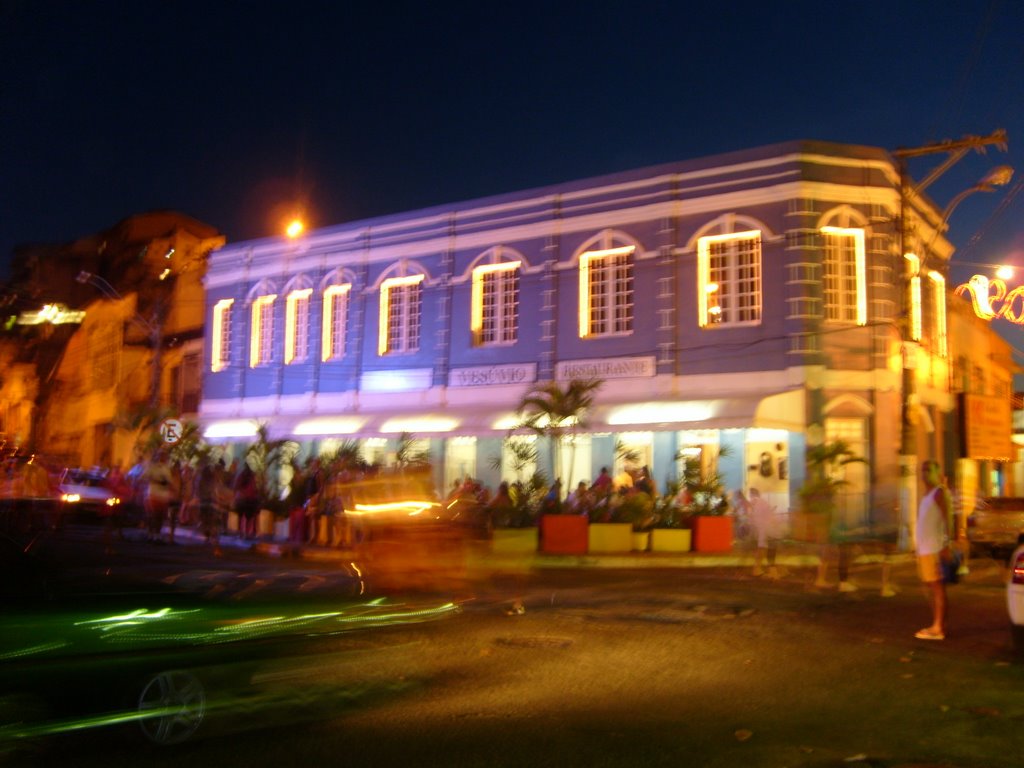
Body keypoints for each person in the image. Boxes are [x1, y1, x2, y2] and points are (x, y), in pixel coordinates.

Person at [915, 459, 953, 640]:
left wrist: (946, 545)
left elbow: (948, 520)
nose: (924, 474)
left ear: (937, 472)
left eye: (928, 470)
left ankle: (938, 627)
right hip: (925, 549)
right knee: (932, 587)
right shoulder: (926, 494)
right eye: (922, 470)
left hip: (934, 549)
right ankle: (938, 623)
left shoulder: (939, 493)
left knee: (937, 588)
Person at [748, 488, 782, 578]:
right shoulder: (761, 501)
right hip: (768, 529)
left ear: (752, 494)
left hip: (764, 529)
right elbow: (769, 514)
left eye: (750, 494)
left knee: (763, 549)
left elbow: (752, 515)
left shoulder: (756, 501)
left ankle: (759, 569)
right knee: (767, 549)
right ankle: (769, 571)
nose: (749, 496)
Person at [144, 451, 173, 543]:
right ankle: (151, 533)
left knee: (160, 516)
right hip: (154, 494)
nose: (164, 458)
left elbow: (169, 481)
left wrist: (169, 486)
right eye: (162, 456)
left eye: (165, 456)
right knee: (154, 515)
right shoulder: (153, 468)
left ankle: (157, 534)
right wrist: (157, 481)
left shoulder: (166, 468)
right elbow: (144, 477)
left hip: (163, 496)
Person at [233, 463, 260, 540]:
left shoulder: (242, 476)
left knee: (241, 517)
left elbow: (236, 486)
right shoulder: (251, 476)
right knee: (249, 518)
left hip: (243, 499)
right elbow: (254, 488)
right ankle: (247, 533)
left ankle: (241, 533)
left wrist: (235, 496)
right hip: (249, 499)